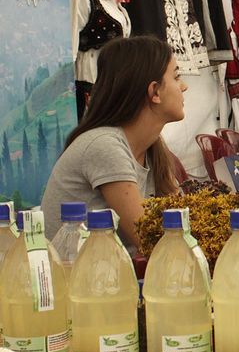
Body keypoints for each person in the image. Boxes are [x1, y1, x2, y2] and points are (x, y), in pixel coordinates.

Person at [40, 36, 186, 246]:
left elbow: (183, 224)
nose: (184, 86)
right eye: (177, 77)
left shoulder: (153, 148)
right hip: (70, 276)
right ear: (155, 91)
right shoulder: (104, 146)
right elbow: (149, 240)